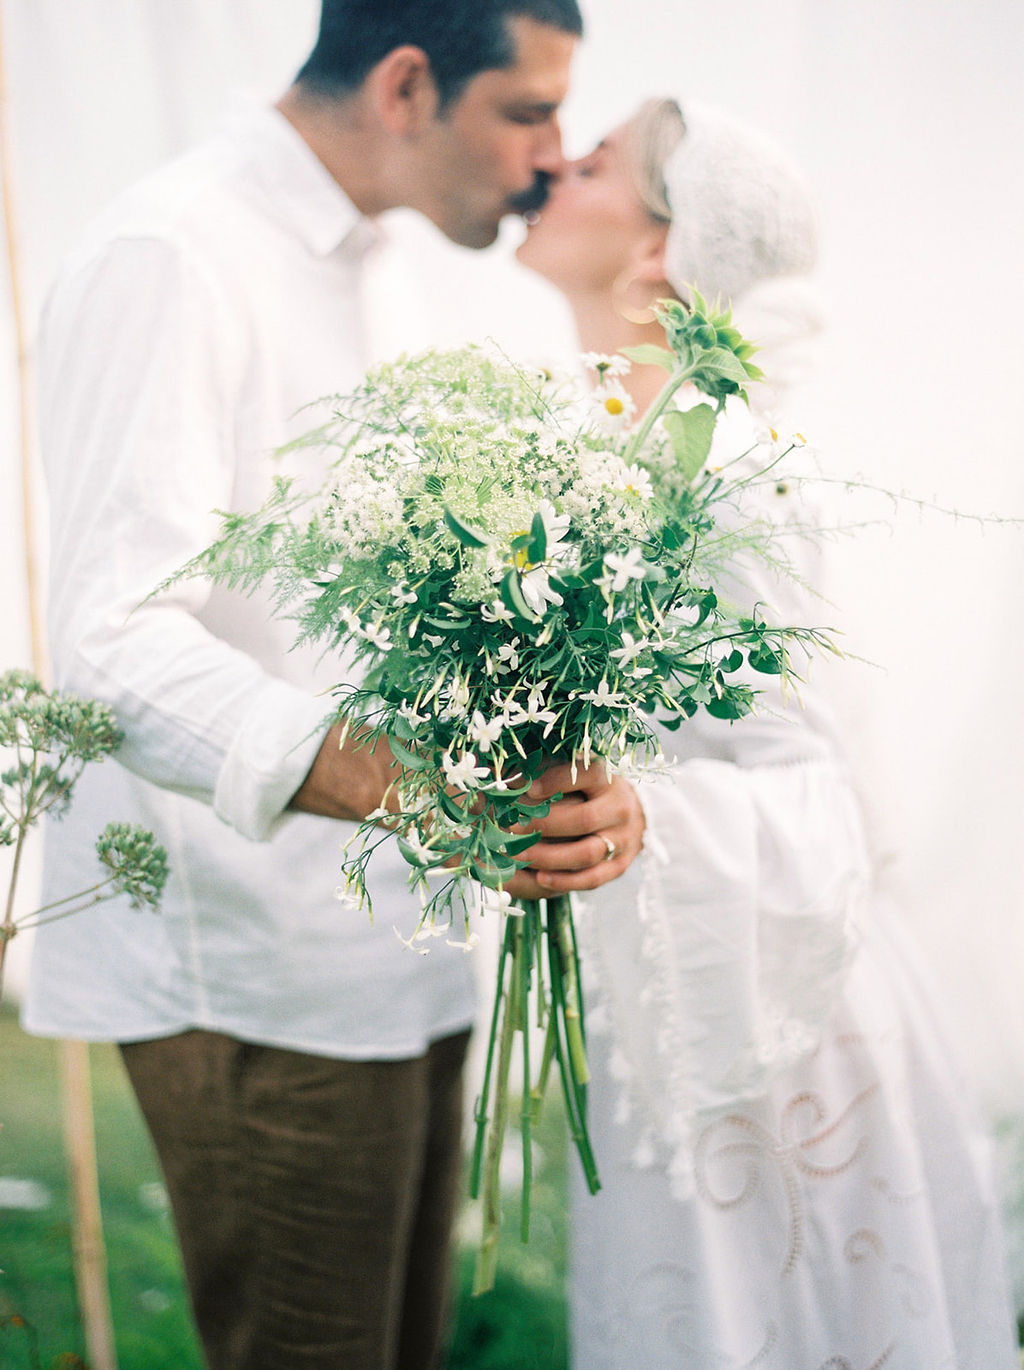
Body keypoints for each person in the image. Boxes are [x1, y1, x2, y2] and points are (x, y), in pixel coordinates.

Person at [21, 6, 648, 1369]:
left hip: (391, 940)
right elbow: (117, 638)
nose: (553, 156)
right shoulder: (172, 254)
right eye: (528, 110)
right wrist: (425, 792)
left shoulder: (370, 262)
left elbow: (356, 611)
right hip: (256, 965)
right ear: (409, 82)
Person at [517, 98, 1020, 1367]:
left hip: (773, 990)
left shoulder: (734, 466)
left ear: (653, 254)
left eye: (586, 165)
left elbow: (814, 775)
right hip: (665, 961)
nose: (544, 171)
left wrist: (644, 811)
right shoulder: (593, 451)